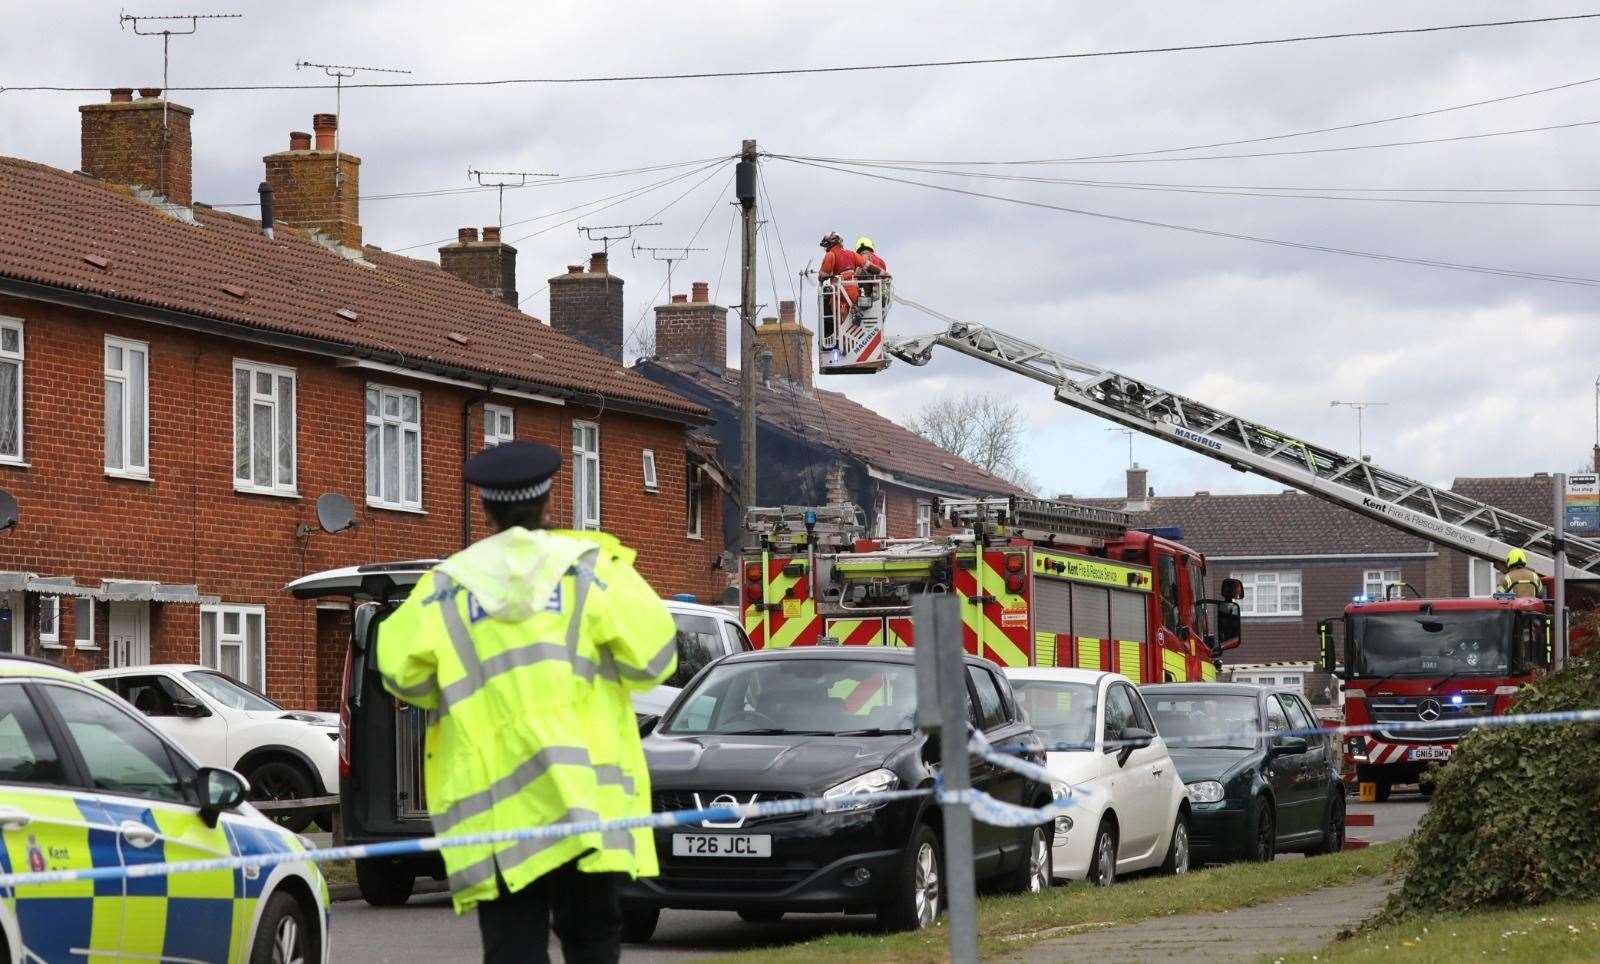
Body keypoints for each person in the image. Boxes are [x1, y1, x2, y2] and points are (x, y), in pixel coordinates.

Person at [377, 440, 678, 964]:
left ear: (485, 507)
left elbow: (401, 675)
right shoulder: (595, 569)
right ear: (549, 500)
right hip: (585, 799)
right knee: (592, 941)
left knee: (512, 948)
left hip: (497, 810)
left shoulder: (444, 587)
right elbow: (655, 661)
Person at [818, 231, 860, 335]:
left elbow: (822, 275)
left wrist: (821, 276)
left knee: (834, 309)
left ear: (830, 244)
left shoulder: (830, 255)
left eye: (826, 246)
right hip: (854, 294)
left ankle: (840, 333)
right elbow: (867, 265)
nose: (826, 248)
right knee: (849, 311)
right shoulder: (852, 254)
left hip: (840, 295)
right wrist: (884, 273)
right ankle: (853, 325)